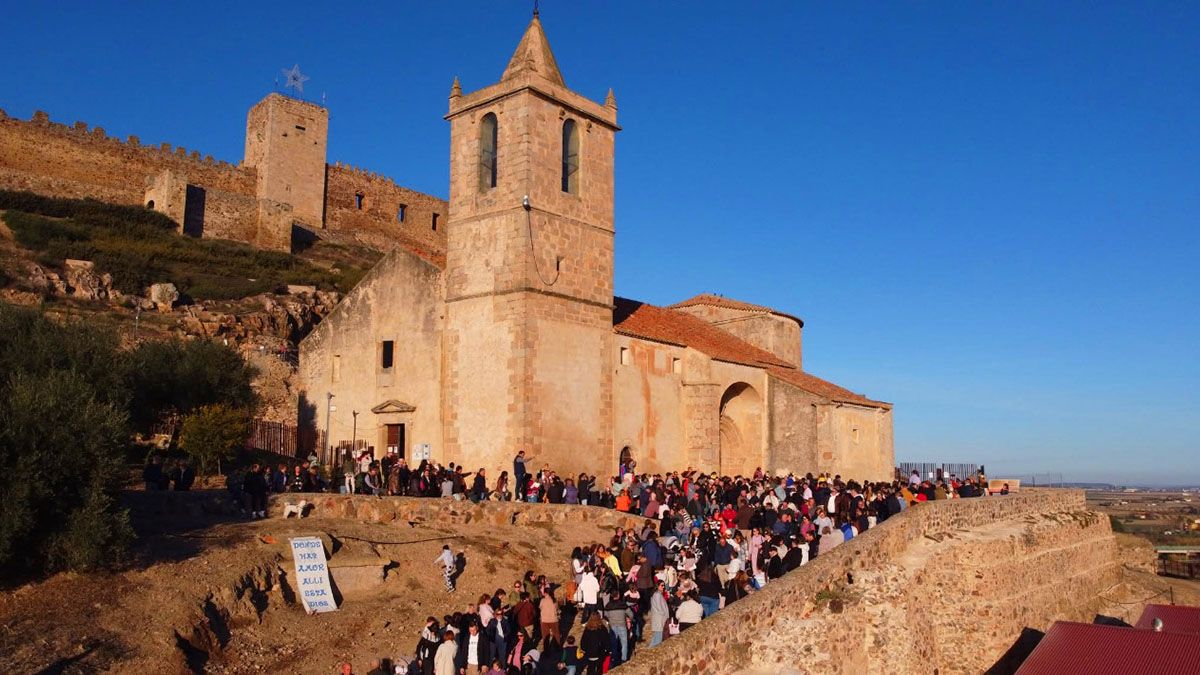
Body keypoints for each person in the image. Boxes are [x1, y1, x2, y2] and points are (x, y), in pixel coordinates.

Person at [648, 580, 669, 647]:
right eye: (662, 585)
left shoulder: (658, 594)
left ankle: (650, 649)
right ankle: (651, 649)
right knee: (658, 638)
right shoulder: (657, 595)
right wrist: (664, 615)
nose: (663, 587)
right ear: (657, 586)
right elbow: (659, 607)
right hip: (659, 618)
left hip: (660, 618)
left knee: (657, 636)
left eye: (664, 585)